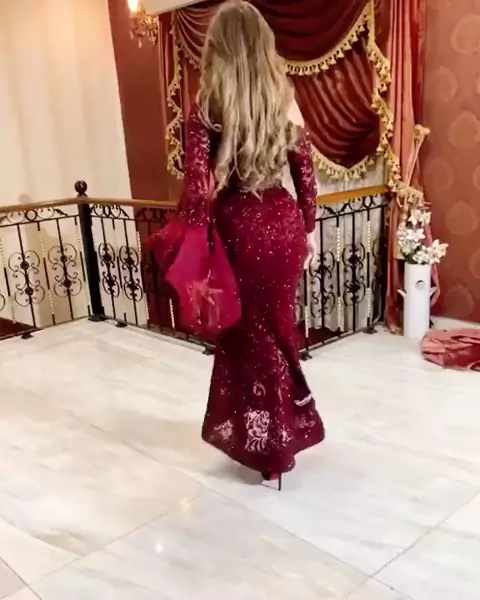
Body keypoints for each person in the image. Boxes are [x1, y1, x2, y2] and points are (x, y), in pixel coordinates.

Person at [164, 0, 325, 487]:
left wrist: (192, 240)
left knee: (250, 339)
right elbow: (306, 177)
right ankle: (279, 436)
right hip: (284, 225)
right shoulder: (285, 99)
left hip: (238, 230)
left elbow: (197, 191)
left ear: (218, 48)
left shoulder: (207, 106)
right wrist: (308, 230)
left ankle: (269, 445)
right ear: (263, 45)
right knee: (277, 333)